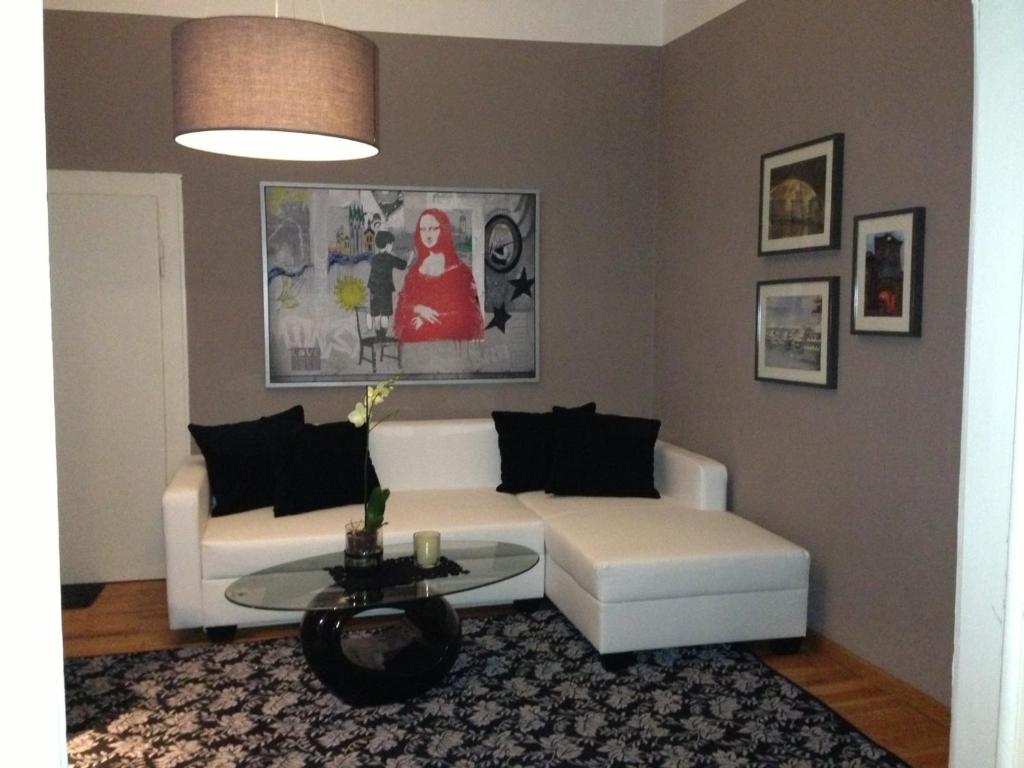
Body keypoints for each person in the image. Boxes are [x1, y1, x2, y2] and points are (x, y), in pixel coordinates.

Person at [393, 209, 485, 342]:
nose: (427, 234)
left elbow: (470, 317)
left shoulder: (460, 272)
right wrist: (418, 309)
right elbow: (401, 309)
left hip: (452, 348)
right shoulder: (413, 273)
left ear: (443, 230)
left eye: (433, 228)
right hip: (416, 350)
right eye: (423, 229)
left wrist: (427, 321)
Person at [366, 230, 407, 336]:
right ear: (388, 245)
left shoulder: (374, 258)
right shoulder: (390, 258)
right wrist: (409, 258)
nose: (392, 247)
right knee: (385, 314)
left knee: (376, 313)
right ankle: (382, 336)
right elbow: (403, 265)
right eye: (391, 244)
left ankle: (376, 330)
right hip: (385, 289)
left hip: (374, 289)